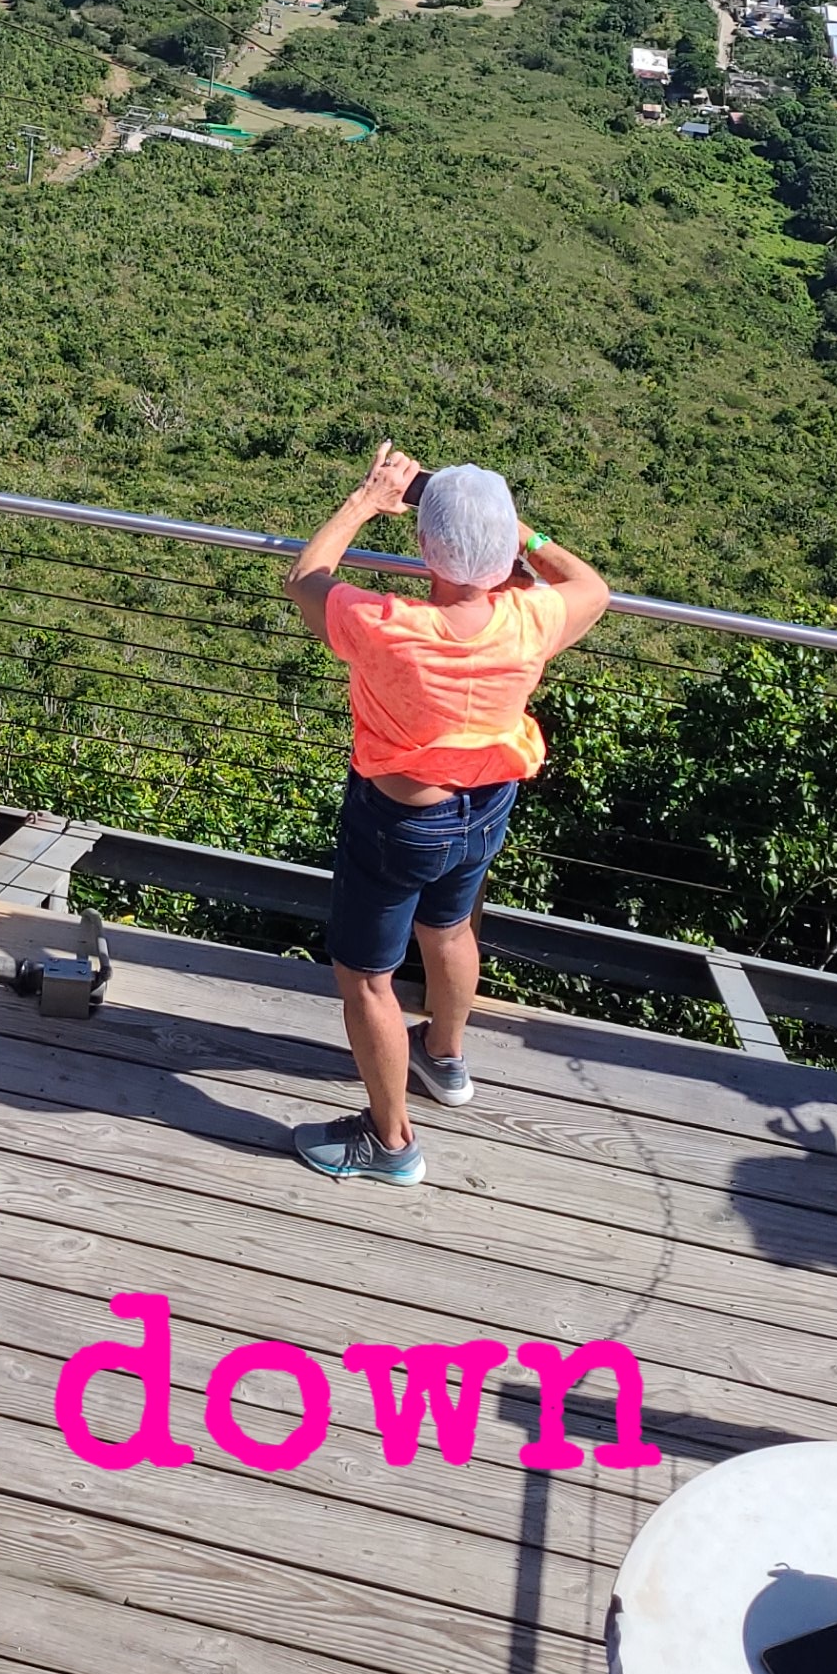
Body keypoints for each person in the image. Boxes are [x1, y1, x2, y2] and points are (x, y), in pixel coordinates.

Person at [284, 445, 609, 1187]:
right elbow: (592, 586)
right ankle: (444, 1056)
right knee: (451, 928)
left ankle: (390, 1141)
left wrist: (368, 500)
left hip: (399, 820)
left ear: (426, 547)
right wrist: (520, 535)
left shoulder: (387, 624)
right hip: (486, 806)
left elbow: (306, 577)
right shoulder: (532, 618)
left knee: (367, 979)